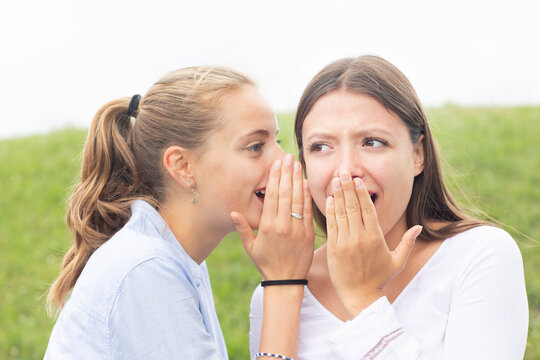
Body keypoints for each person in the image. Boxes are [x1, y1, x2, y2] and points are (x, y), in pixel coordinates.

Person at [250, 55, 529, 359]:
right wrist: (283, 287)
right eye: (321, 147)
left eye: (372, 142)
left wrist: (363, 299)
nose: (345, 170)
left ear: (418, 155)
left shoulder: (479, 255)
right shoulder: (278, 290)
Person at [45, 66, 315, 360]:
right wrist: (283, 282)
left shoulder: (177, 259)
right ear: (183, 166)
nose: (283, 160)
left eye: (277, 141)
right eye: (255, 146)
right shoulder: (145, 269)